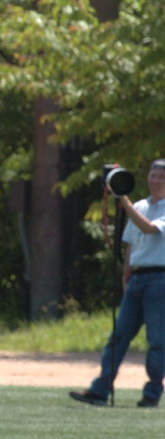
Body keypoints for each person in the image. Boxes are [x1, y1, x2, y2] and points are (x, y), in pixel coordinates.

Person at [70, 159, 165, 408]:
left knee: (157, 340)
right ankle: (101, 389)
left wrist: (124, 201)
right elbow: (131, 243)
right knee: (119, 336)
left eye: (161, 177)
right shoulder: (141, 205)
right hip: (137, 277)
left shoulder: (145, 208)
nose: (155, 181)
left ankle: (152, 393)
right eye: (153, 175)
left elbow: (149, 228)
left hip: (160, 279)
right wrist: (126, 274)